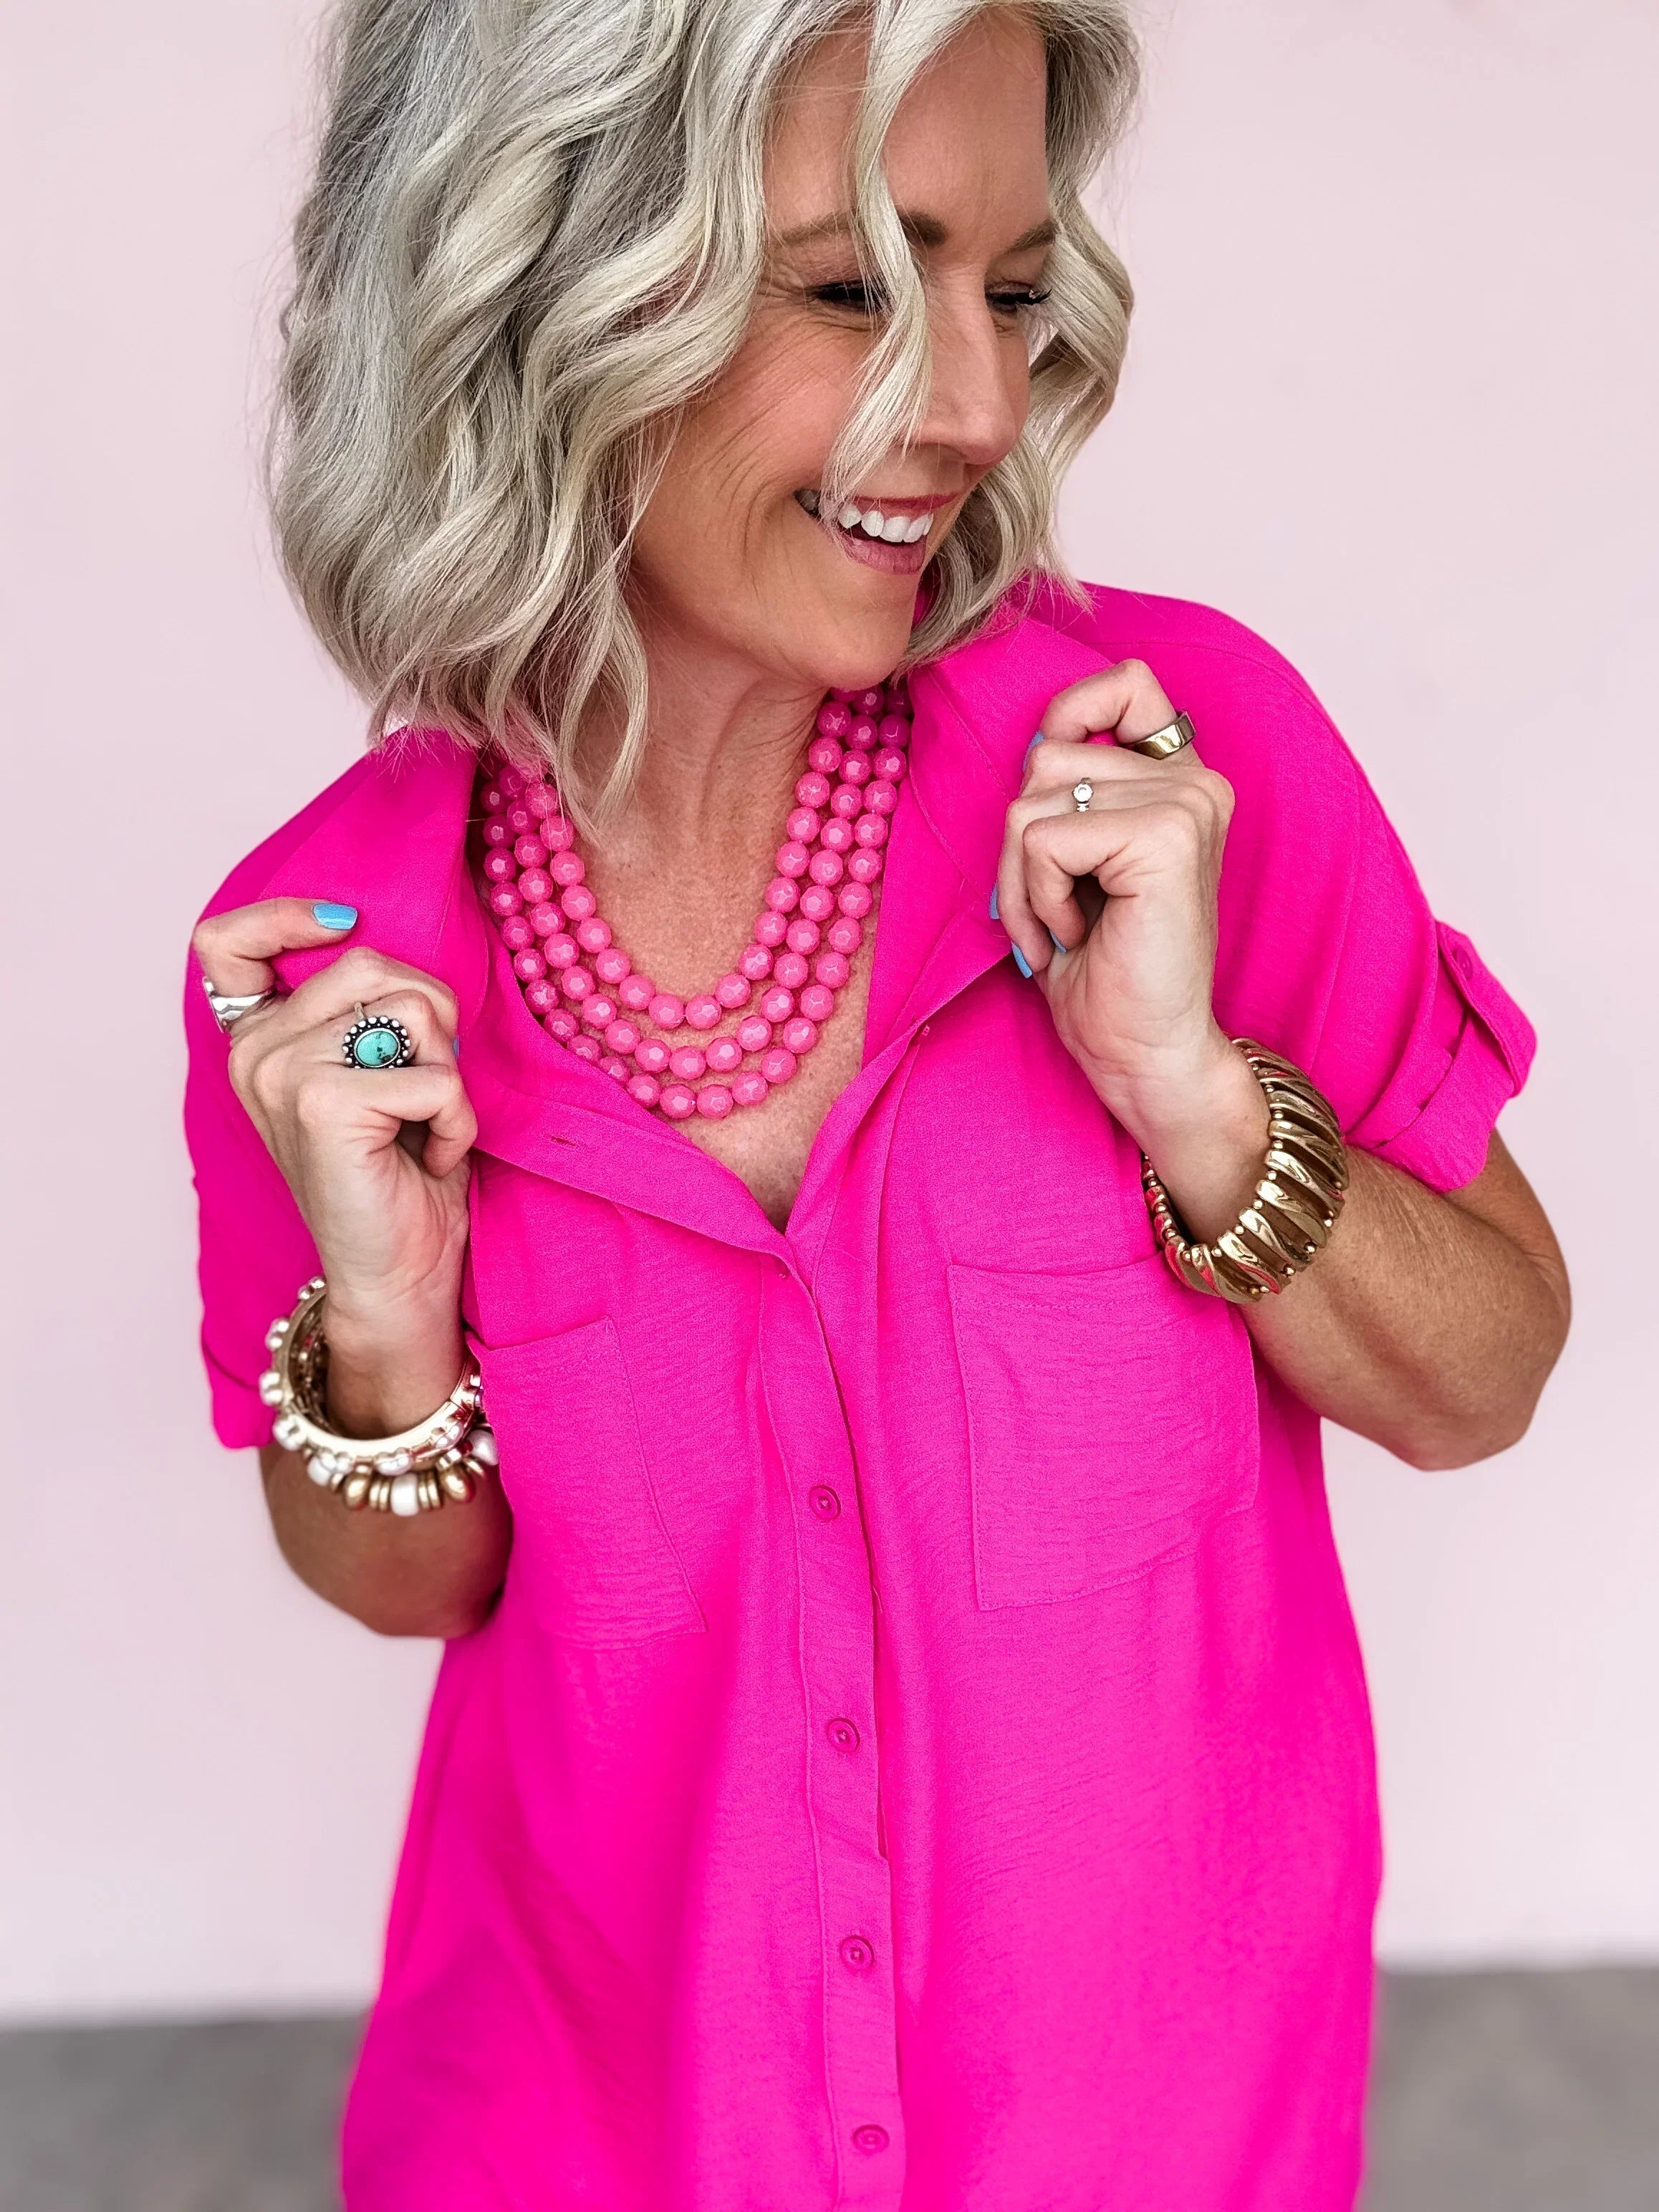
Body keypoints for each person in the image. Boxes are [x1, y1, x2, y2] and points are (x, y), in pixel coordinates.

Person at [183, 3, 1569, 2206]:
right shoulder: (329, 967)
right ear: (535, 285)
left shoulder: (1172, 768)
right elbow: (409, 1587)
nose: (979, 405)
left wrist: (1194, 1096)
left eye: (1008, 290)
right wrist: (385, 1319)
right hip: (586, 2132)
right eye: (849, 288)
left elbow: (1481, 1376)